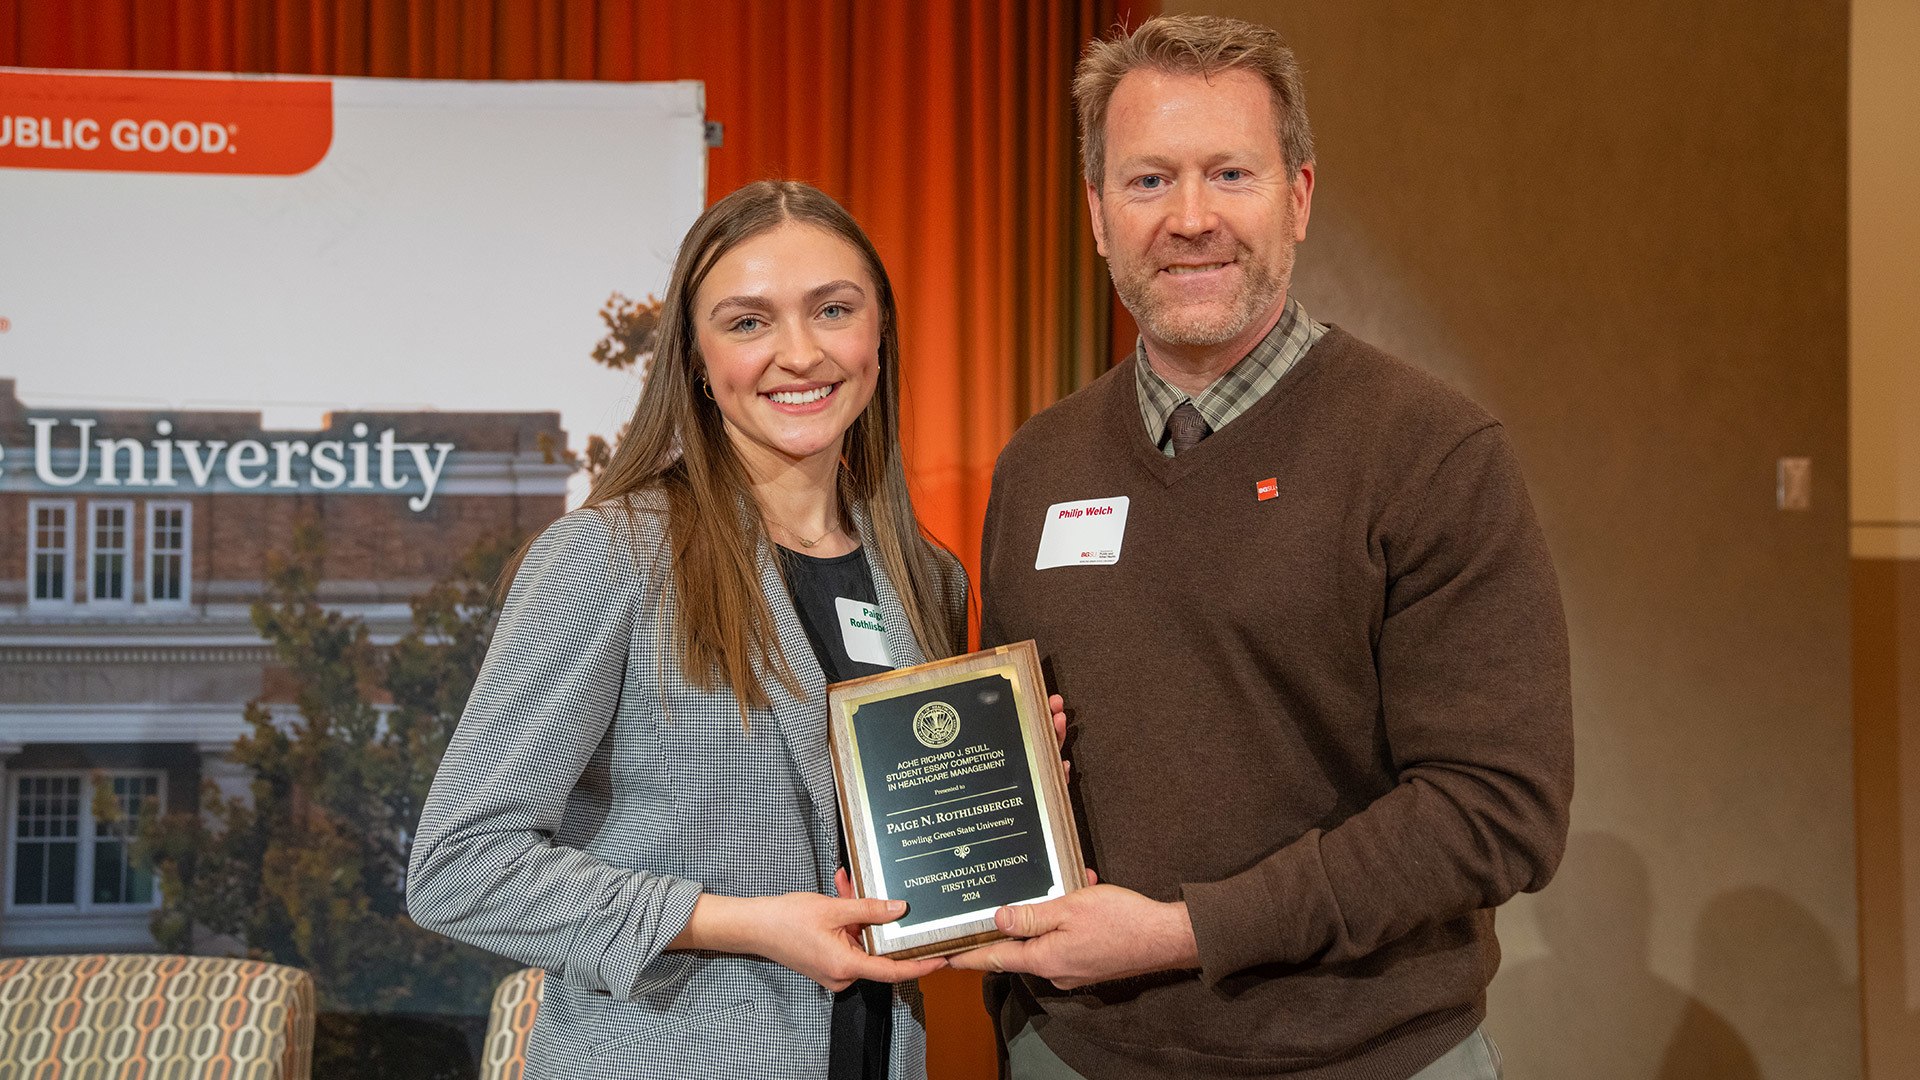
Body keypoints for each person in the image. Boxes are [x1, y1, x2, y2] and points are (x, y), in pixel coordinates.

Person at [950, 15, 1574, 1080]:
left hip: (1364, 1058)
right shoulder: (1038, 466)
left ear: (1299, 196)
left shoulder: (1430, 452)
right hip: (1079, 1055)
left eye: (1229, 173)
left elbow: (1497, 811)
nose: (1190, 218)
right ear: (1098, 216)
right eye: (1148, 182)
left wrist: (1187, 931)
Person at [407, 180, 969, 1080]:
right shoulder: (609, 558)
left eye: (833, 310)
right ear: (698, 360)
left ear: (879, 336)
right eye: (749, 322)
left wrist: (1005, 787)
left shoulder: (926, 579)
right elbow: (458, 868)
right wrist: (738, 922)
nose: (799, 353)